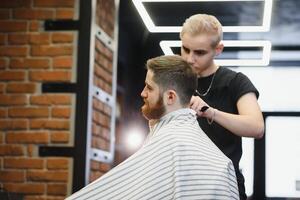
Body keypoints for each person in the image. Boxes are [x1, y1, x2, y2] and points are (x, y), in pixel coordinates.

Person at [66, 55, 239, 200]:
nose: (142, 93)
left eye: (149, 87)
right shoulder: (217, 159)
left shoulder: (171, 143)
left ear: (170, 97)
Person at [180, 14, 265, 200]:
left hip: (224, 186)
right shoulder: (174, 82)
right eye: (185, 49)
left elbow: (257, 127)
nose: (189, 58)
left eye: (199, 52)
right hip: (182, 185)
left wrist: (210, 112)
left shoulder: (235, 82)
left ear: (218, 49)